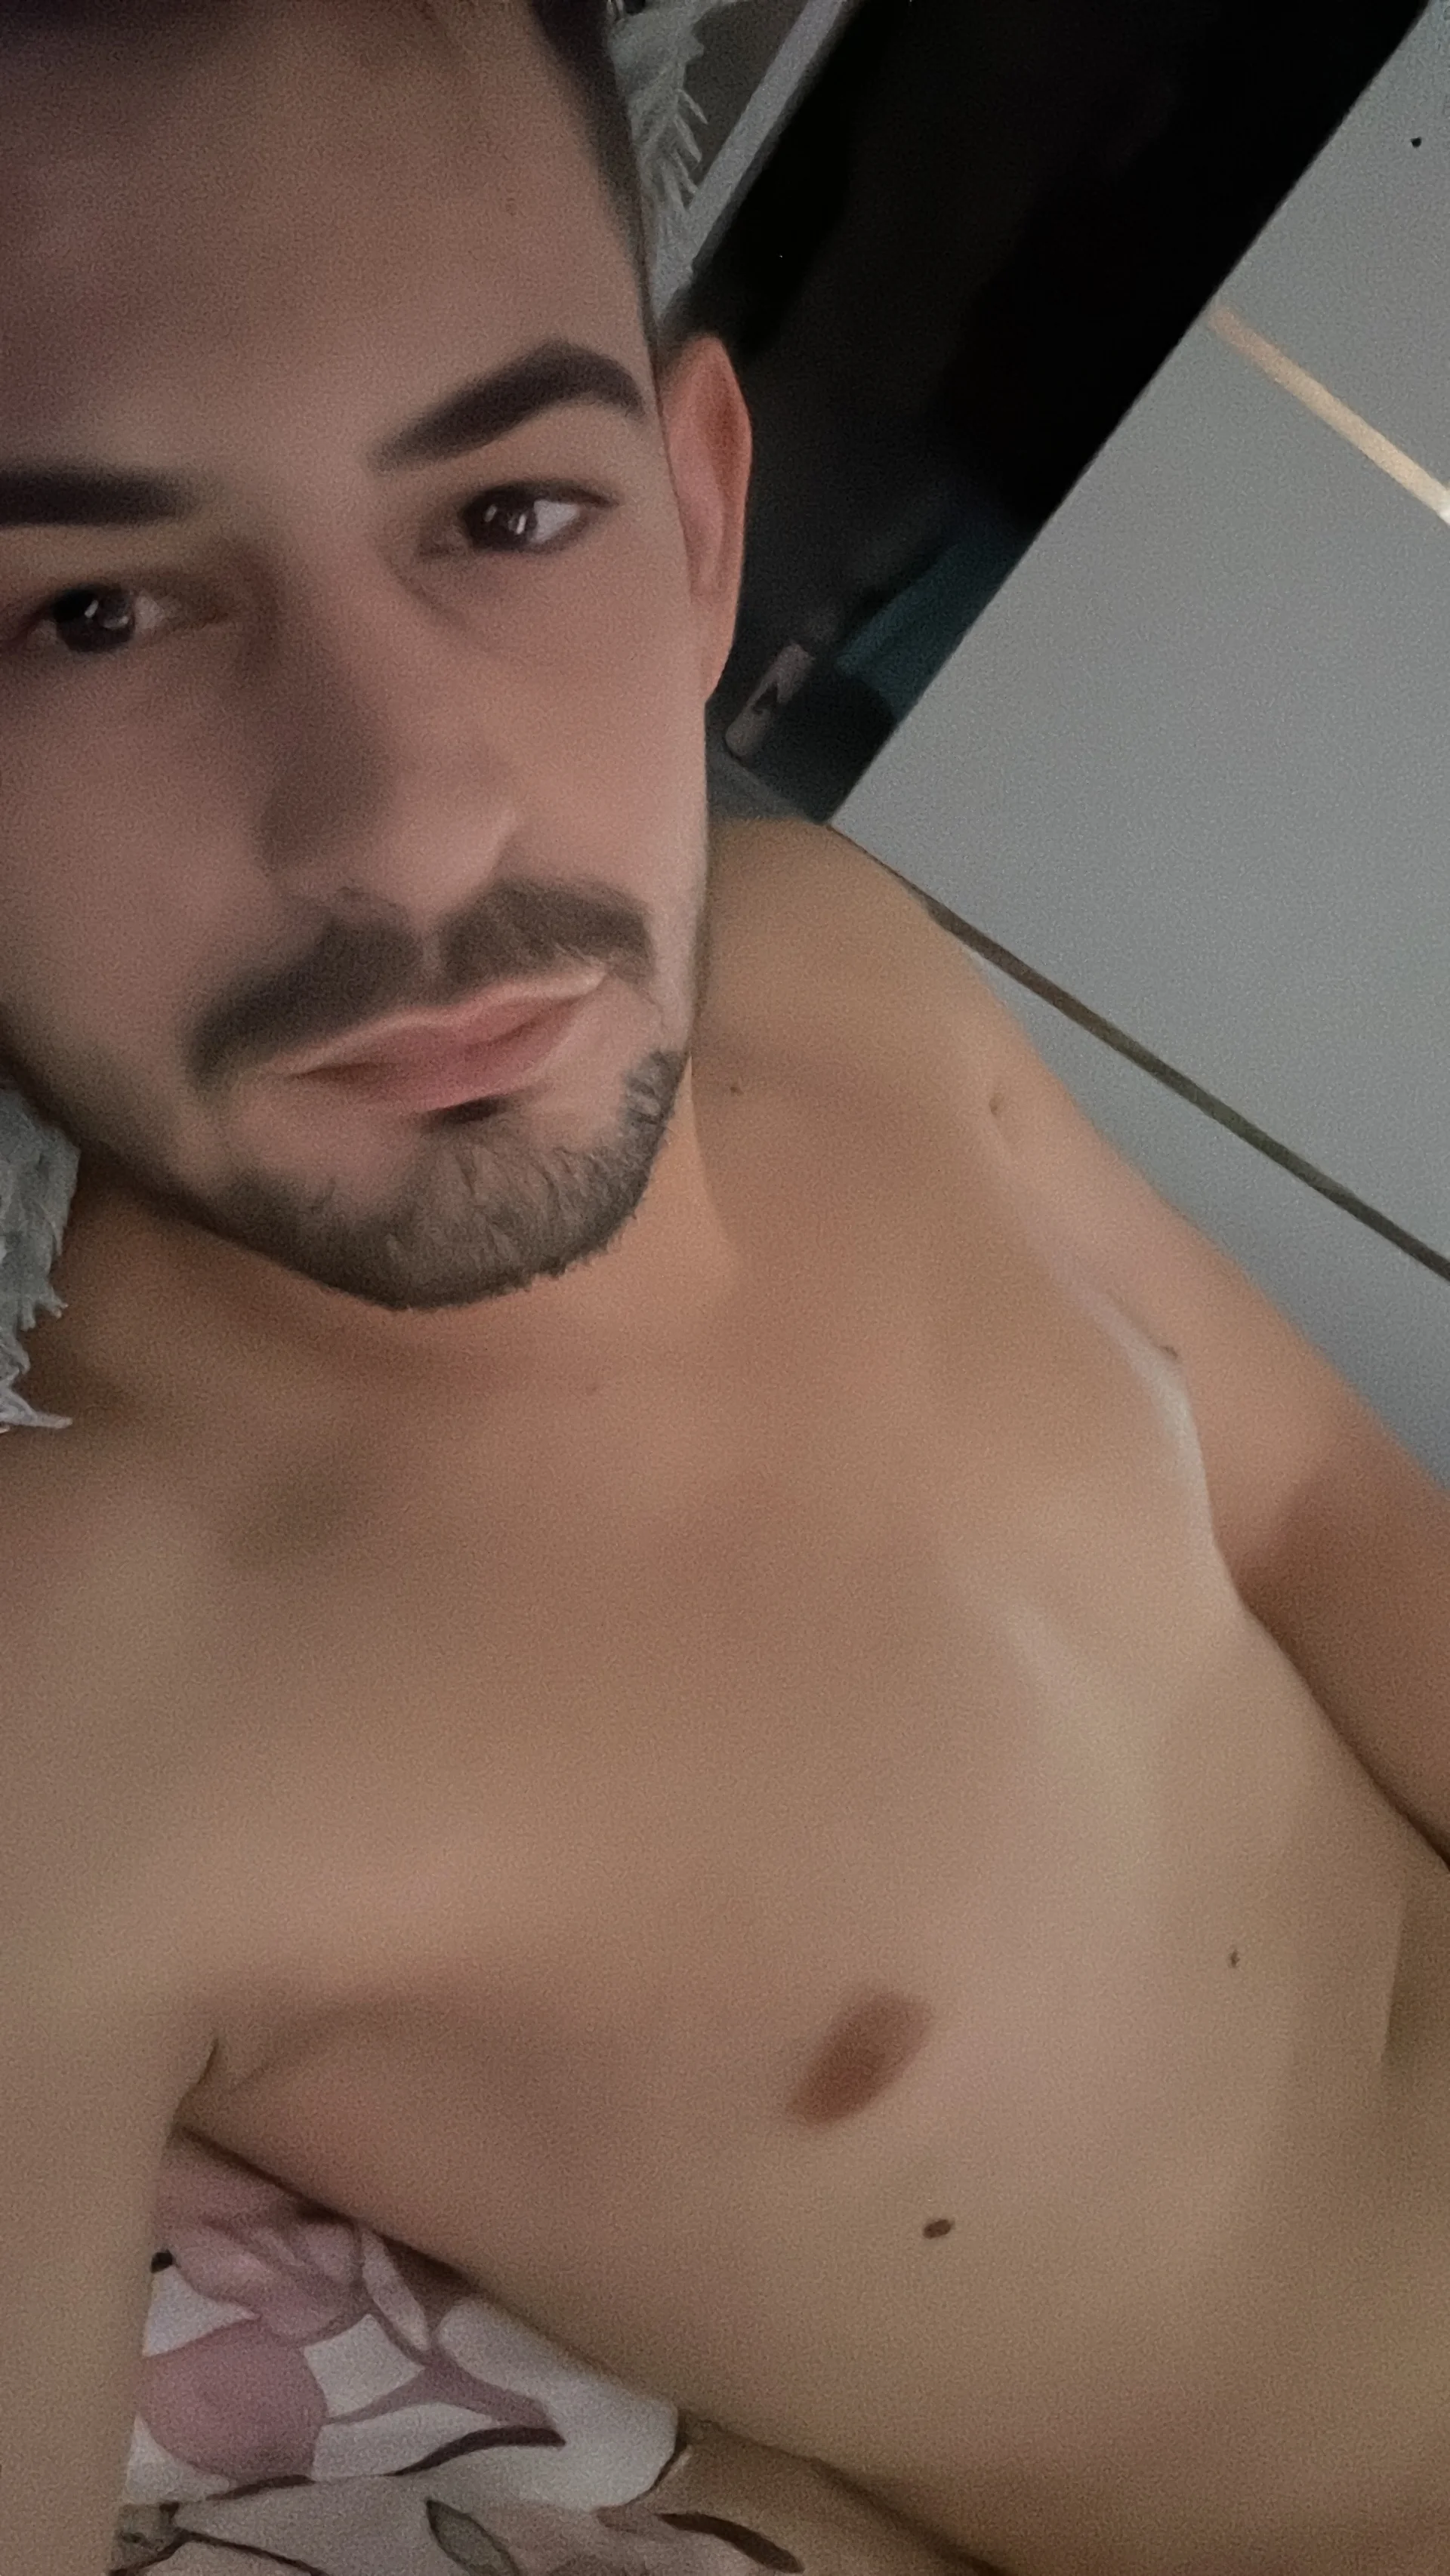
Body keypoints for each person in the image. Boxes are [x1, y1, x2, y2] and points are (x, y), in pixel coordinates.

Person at [2, 6, 1450, 2573]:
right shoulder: (83, 1694)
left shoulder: (821, 957)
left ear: (693, 518)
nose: (413, 818)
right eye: (90, 610)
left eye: (506, 511)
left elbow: (1320, 1508)